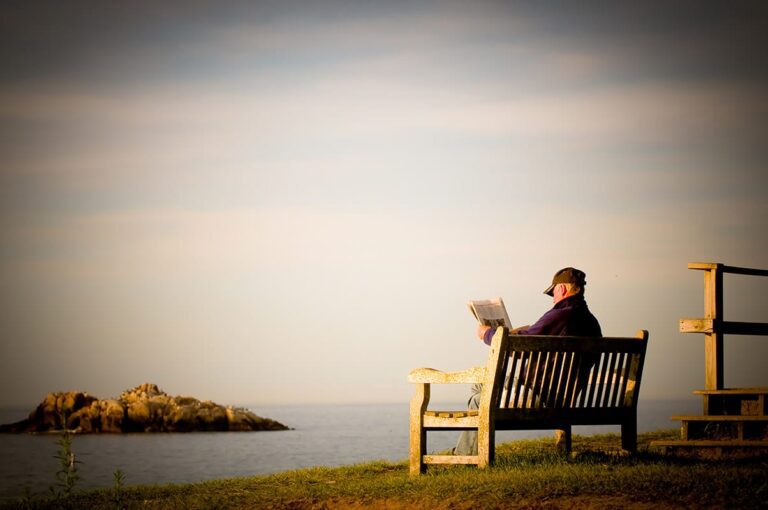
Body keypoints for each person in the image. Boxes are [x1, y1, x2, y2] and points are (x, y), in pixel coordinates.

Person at [454, 267, 602, 456]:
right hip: (563, 396)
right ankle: (467, 450)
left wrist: (487, 334)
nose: (553, 299)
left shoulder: (560, 315)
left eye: (553, 293)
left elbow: (520, 345)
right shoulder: (591, 322)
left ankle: (464, 456)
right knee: (480, 383)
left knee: (479, 400)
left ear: (562, 289)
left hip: (540, 394)